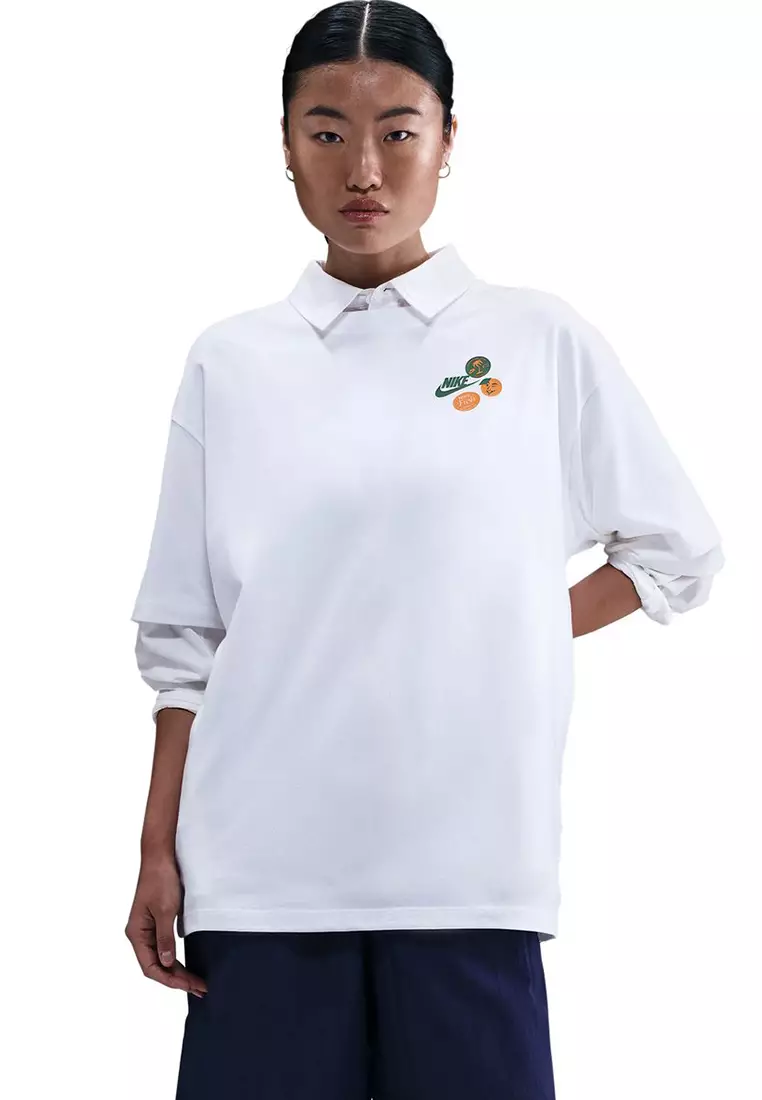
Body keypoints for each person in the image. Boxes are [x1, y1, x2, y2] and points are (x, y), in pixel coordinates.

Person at [124, 2, 725, 1097]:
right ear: (285, 145)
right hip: (259, 879)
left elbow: (674, 550)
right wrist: (156, 850)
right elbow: (185, 643)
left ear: (449, 139)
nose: (364, 168)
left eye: (399, 131)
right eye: (326, 131)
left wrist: (510, 619)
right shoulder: (231, 362)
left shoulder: (535, 339)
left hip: (471, 870)